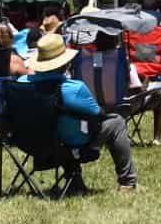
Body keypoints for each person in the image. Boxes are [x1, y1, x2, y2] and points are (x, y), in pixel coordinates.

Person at [25, 31, 138, 193]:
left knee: (63, 127)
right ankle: (128, 182)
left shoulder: (22, 84)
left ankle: (75, 181)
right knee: (116, 122)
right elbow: (97, 115)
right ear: (65, 63)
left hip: (32, 143)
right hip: (69, 144)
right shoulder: (73, 88)